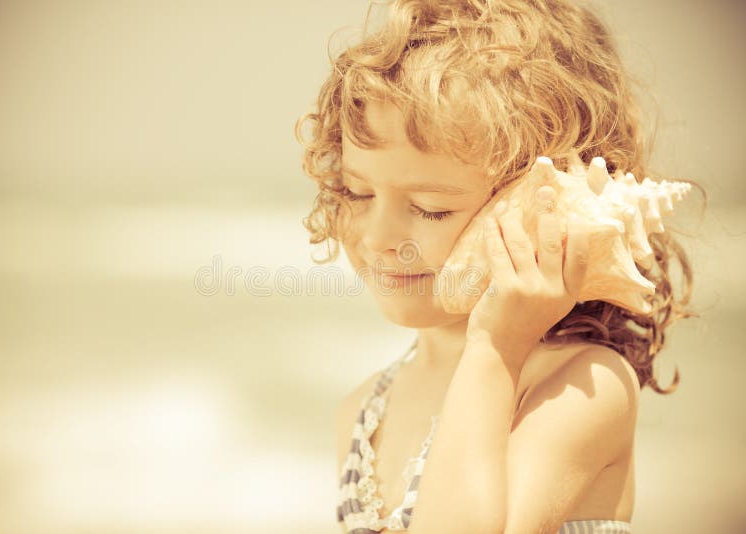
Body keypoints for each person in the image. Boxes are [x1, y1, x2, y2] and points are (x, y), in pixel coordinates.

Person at [294, 1, 702, 532]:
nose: (377, 236)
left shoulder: (584, 386)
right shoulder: (364, 410)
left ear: (536, 203)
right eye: (356, 191)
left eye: (430, 208)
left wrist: (494, 350)